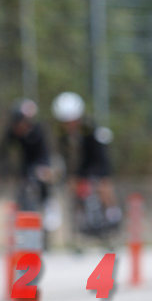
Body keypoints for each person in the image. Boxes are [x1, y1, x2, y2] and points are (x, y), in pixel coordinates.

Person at [50, 90, 121, 234]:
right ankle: (80, 218)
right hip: (81, 164)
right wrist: (69, 175)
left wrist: (96, 174)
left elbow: (99, 154)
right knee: (72, 185)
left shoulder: (90, 128)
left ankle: (113, 213)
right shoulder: (62, 134)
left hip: (97, 161)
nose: (69, 124)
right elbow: (66, 156)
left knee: (103, 184)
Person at [0, 98, 53, 212]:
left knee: (43, 179)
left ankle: (47, 204)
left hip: (40, 161)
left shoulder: (37, 131)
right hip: (26, 163)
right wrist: (5, 168)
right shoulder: (13, 132)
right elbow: (4, 151)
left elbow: (44, 152)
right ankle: (21, 209)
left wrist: (44, 167)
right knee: (22, 186)